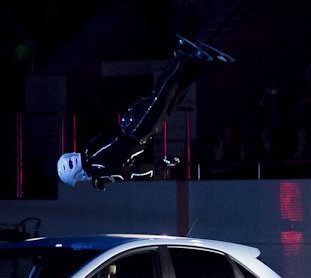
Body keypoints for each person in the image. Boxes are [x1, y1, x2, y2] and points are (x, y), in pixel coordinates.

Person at [57, 35, 235, 190]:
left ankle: (182, 57)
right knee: (171, 101)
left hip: (135, 130)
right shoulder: (91, 155)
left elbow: (133, 173)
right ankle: (199, 64)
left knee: (162, 97)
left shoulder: (97, 166)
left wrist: (159, 167)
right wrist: (100, 179)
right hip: (133, 126)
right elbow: (110, 166)